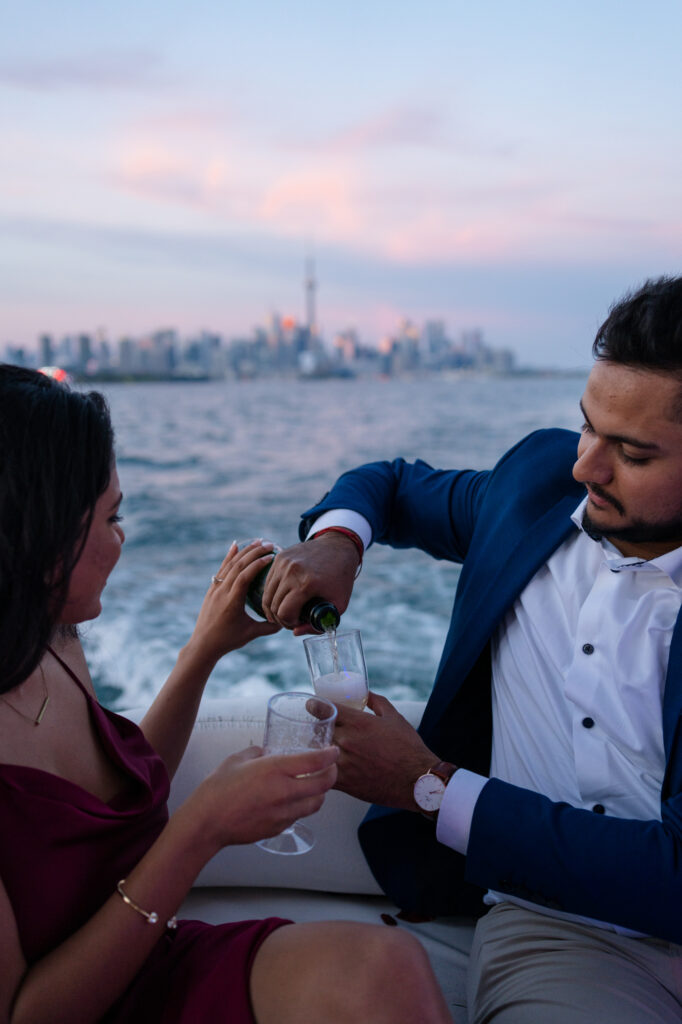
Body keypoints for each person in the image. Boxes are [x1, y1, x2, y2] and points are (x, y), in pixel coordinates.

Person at [260, 276, 682, 1023]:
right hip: (565, 936)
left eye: (631, 453)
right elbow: (388, 486)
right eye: (588, 427)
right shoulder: (538, 488)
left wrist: (429, 784)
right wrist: (335, 545)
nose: (587, 468)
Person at [0, 365, 451, 1024]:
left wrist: (202, 652)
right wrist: (202, 828)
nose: (122, 537)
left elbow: (115, 801)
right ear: (40, 536)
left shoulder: (51, 638)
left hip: (151, 954)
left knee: (387, 965)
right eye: (110, 516)